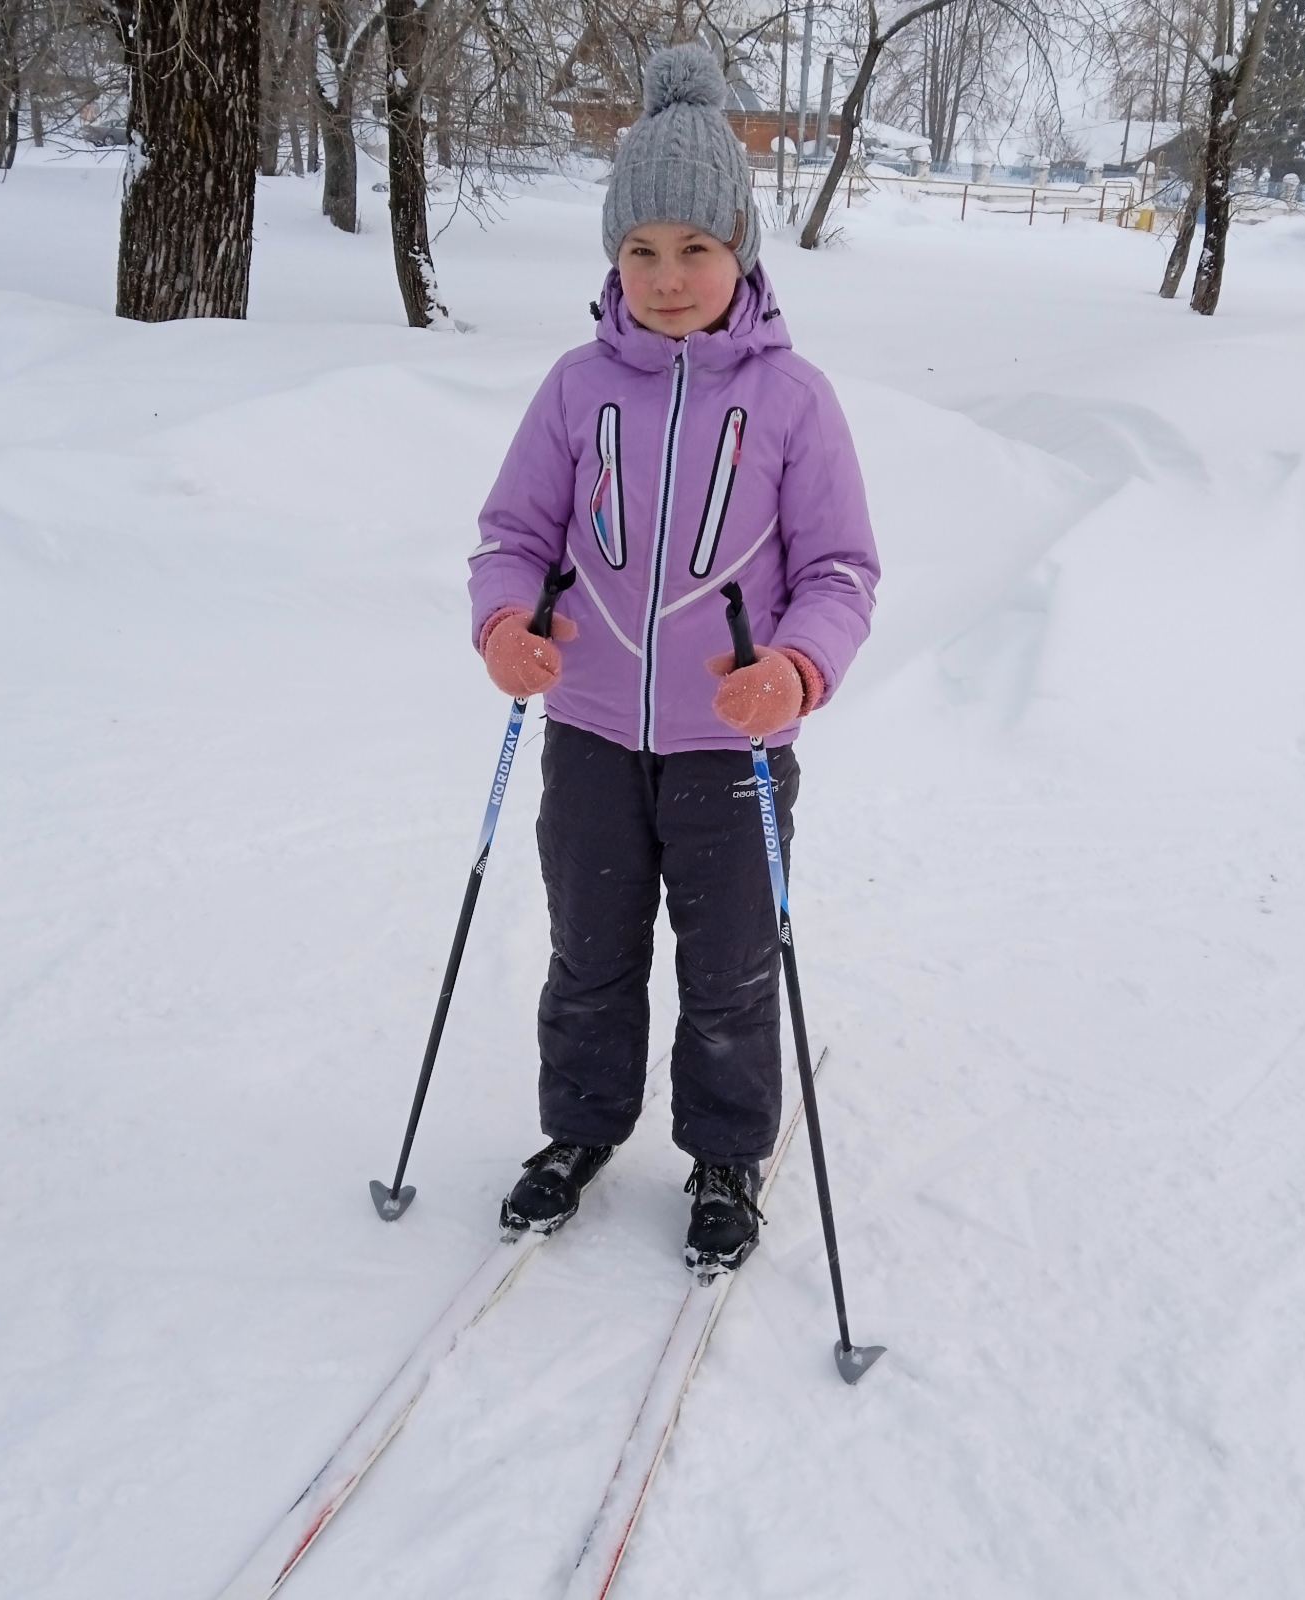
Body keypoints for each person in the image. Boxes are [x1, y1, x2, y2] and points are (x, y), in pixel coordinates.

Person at [468, 42, 880, 1277]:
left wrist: (797, 670)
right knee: (588, 954)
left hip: (731, 748)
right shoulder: (574, 387)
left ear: (740, 248)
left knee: (730, 968)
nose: (666, 276)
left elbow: (842, 574)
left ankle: (722, 1152)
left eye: (693, 248)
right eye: (639, 251)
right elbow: (511, 536)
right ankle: (580, 1131)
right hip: (591, 735)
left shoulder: (795, 399)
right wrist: (504, 626)